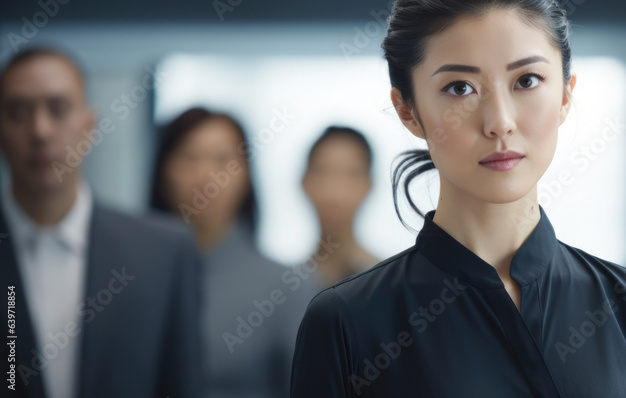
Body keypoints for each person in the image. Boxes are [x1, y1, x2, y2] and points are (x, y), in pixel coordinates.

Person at [290, 1, 626, 397]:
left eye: (527, 81)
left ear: (566, 96)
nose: (500, 122)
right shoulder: (347, 321)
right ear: (407, 111)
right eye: (459, 88)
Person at [0, 48, 202, 397]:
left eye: (58, 109)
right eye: (19, 112)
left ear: (89, 126)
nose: (40, 130)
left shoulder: (162, 254)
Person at [149, 107, 313, 398]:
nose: (204, 175)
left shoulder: (289, 287)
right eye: (189, 157)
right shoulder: (127, 278)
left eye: (222, 160)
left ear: (246, 176)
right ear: (164, 169)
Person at [301, 126, 380, 286]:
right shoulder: (283, 287)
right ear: (304, 182)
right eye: (323, 172)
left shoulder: (388, 283)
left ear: (369, 185)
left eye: (352, 174)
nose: (335, 190)